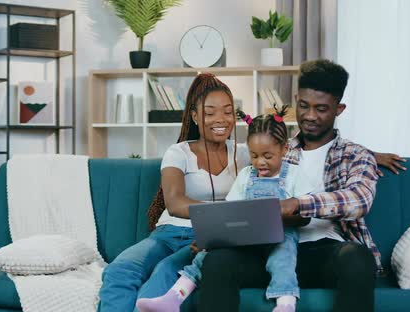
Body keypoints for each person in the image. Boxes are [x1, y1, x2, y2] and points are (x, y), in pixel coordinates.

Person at [197, 59, 384, 312]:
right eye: (304, 105)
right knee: (216, 260)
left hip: (320, 253)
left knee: (357, 258)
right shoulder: (273, 148)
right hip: (266, 252)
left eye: (321, 109)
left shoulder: (356, 155)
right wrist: (217, 236)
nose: (309, 116)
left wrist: (297, 204)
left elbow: (359, 200)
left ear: (339, 109)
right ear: (296, 99)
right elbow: (241, 202)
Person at [136, 106, 318, 312]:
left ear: (284, 149)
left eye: (268, 155)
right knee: (207, 254)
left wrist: (278, 216)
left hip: (280, 236)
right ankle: (174, 297)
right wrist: (212, 238)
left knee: (283, 257)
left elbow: (305, 215)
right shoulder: (247, 175)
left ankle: (285, 304)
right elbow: (231, 210)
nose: (260, 162)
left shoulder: (294, 174)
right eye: (254, 155)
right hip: (247, 237)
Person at [98, 73, 249, 311]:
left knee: (163, 275)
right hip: (168, 233)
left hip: (207, 238)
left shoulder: (245, 153)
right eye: (210, 113)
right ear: (195, 117)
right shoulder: (178, 152)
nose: (220, 119)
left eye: (228, 112)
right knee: (120, 270)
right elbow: (175, 202)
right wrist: (227, 213)